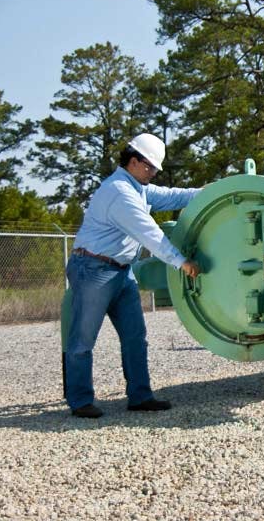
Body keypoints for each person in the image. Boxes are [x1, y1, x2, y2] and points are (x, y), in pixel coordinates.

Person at [64, 133, 202, 418]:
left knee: (135, 336)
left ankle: (140, 396)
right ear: (135, 161)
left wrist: (208, 191)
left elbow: (172, 196)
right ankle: (80, 401)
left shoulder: (137, 187)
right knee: (83, 339)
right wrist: (181, 261)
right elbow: (149, 233)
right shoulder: (119, 192)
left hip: (120, 271)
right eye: (150, 167)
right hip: (93, 270)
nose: (153, 173)